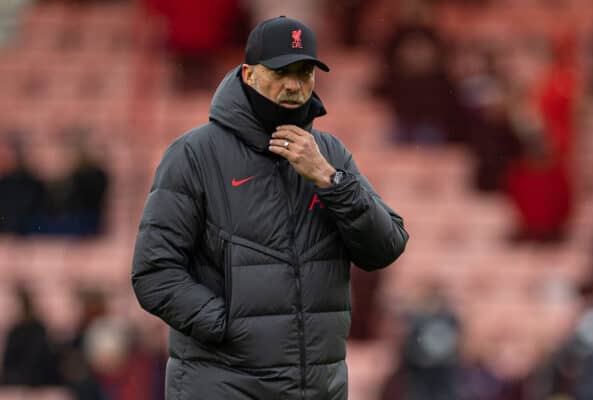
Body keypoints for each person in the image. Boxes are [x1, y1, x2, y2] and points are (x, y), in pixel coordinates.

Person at [131, 16, 409, 400]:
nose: (294, 85)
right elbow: (154, 273)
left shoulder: (329, 155)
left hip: (316, 389)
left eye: (304, 71)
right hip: (223, 386)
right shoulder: (194, 155)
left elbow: (386, 247)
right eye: (281, 72)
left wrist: (330, 181)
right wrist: (230, 327)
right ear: (249, 74)